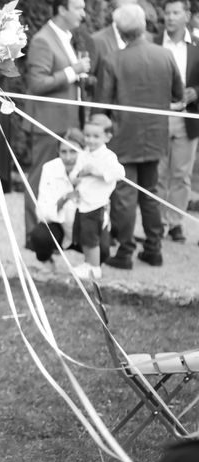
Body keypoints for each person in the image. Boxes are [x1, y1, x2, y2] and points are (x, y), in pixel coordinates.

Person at [96, 4, 184, 270]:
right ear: (145, 26)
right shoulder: (165, 55)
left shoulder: (113, 60)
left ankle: (125, 251)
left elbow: (102, 105)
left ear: (121, 33)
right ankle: (154, 249)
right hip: (156, 135)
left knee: (124, 196)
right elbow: (178, 94)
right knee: (150, 193)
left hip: (124, 137)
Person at [23, 0, 91, 248]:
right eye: (79, 8)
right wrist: (73, 71)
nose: (83, 13)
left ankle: (57, 236)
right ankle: (34, 238)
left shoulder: (66, 37)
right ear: (62, 9)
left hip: (67, 121)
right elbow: (37, 84)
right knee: (39, 178)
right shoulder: (43, 40)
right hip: (47, 123)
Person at [154, 0, 199, 243]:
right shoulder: (152, 42)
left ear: (187, 15)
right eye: (167, 13)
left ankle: (176, 222)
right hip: (158, 116)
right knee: (158, 173)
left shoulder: (197, 45)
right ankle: (158, 222)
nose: (170, 17)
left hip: (188, 116)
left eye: (175, 13)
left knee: (181, 174)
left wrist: (197, 92)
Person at [69, 114, 124, 279]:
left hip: (96, 205)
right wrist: (77, 176)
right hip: (83, 203)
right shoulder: (84, 154)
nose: (90, 140)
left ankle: (95, 268)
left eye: (96, 136)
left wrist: (96, 172)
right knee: (84, 236)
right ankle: (88, 263)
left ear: (107, 137)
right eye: (87, 136)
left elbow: (120, 173)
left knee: (91, 238)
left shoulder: (108, 157)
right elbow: (74, 174)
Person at [30, 128, 84, 266]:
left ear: (82, 151)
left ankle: (92, 266)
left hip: (85, 228)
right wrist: (64, 199)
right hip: (59, 225)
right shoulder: (49, 168)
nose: (68, 157)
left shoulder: (89, 169)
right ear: (58, 152)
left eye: (73, 151)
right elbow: (41, 213)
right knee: (40, 236)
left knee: (103, 245)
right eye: (63, 151)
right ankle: (47, 262)